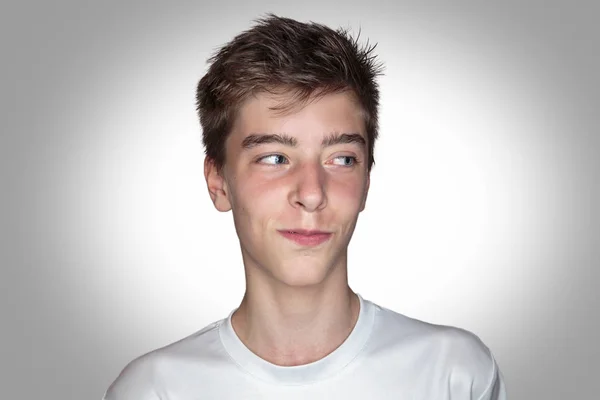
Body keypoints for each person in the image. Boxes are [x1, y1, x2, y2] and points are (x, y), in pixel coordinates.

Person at [103, 13, 507, 399]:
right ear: (218, 182)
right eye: (275, 158)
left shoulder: (454, 373)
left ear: (367, 179)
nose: (312, 193)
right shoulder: (155, 390)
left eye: (342, 159)